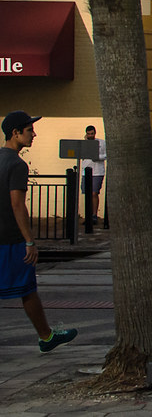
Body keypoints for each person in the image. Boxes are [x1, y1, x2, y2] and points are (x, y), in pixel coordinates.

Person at [1, 111, 79, 353]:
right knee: (27, 289)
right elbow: (17, 204)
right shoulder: (17, 164)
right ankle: (46, 336)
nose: (34, 134)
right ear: (15, 133)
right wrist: (29, 241)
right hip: (11, 239)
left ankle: (47, 336)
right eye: (29, 130)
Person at [81, 125, 107, 225]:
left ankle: (94, 215)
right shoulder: (84, 143)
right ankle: (88, 215)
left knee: (94, 193)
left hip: (97, 171)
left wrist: (97, 157)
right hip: (86, 171)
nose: (90, 135)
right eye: (88, 134)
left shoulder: (101, 143)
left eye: (92, 134)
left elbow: (106, 155)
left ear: (95, 133)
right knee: (87, 194)